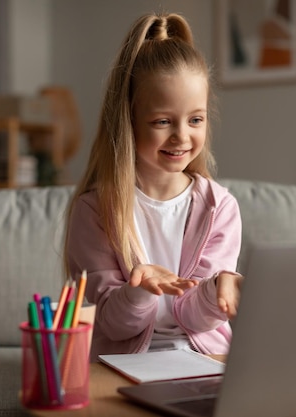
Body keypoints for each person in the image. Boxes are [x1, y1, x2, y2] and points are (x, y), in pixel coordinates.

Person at [63, 12, 243, 362]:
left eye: (195, 120)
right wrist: (141, 290)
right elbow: (114, 326)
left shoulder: (220, 208)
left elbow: (194, 318)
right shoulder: (96, 211)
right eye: (162, 121)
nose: (181, 136)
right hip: (123, 362)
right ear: (128, 121)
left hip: (204, 358)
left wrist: (216, 291)